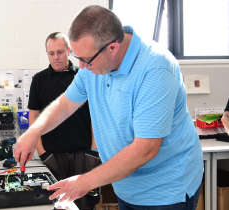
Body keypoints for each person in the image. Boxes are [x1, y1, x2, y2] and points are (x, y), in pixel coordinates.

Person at [15, 5, 203, 210]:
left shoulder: (156, 68)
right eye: (78, 58)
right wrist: (34, 132)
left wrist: (84, 182)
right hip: (126, 185)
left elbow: (145, 149)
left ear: (112, 47)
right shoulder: (95, 58)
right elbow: (66, 104)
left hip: (165, 193)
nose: (82, 67)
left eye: (86, 60)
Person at [27, 32, 101, 210]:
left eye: (60, 52)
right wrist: (42, 152)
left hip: (83, 155)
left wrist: (94, 150)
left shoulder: (84, 76)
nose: (56, 57)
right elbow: (33, 117)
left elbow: (96, 116)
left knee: (85, 205)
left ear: (69, 51)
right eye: (51, 53)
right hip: (52, 157)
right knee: (55, 205)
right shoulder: (39, 80)